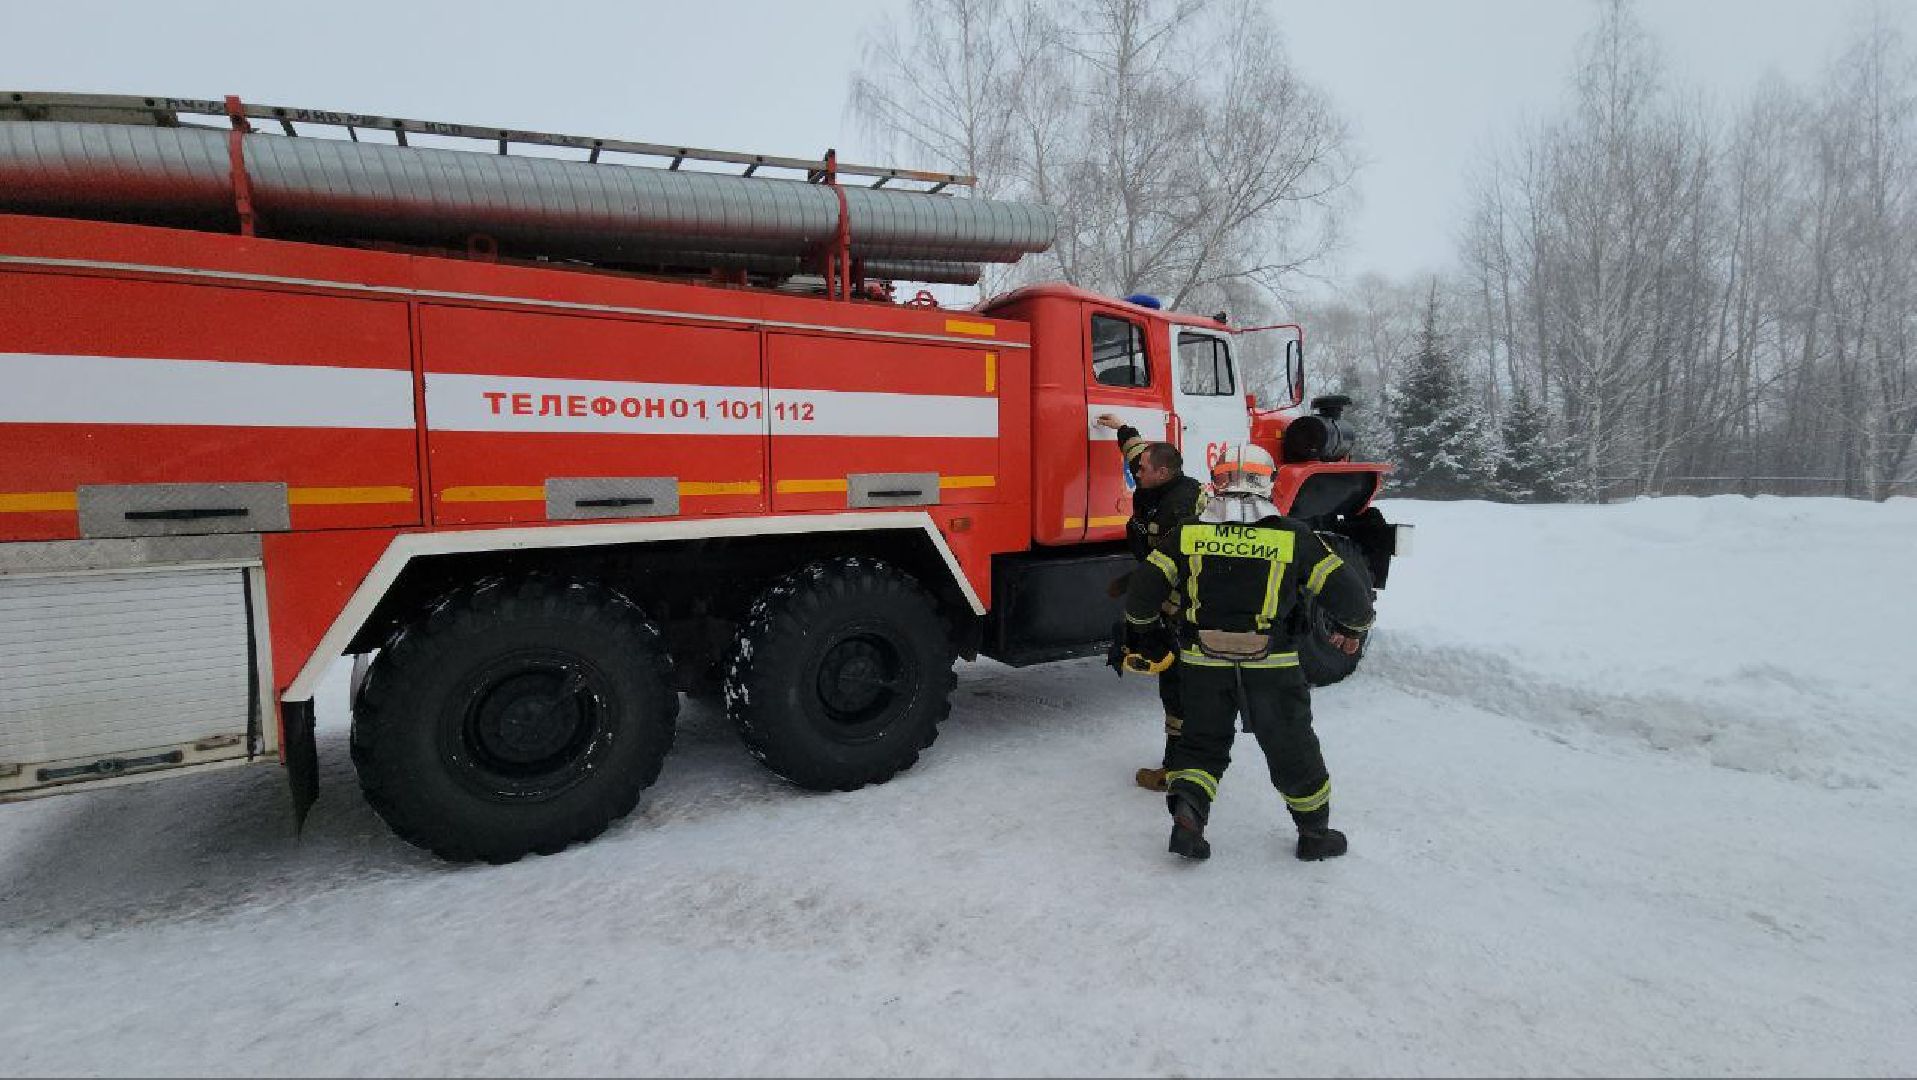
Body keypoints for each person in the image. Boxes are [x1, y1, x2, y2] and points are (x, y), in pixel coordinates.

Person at [1121, 442, 1374, 862]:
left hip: (1203, 663)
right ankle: (1314, 834)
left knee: (1200, 745)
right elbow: (1351, 597)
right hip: (1272, 667)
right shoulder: (1293, 536)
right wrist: (1353, 628)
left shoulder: (1187, 534)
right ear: (1268, 483)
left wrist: (1146, 633)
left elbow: (1141, 593)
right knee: (1291, 746)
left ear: (1217, 484)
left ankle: (1189, 817)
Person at [1094, 413, 1205, 792]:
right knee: (1173, 686)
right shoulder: (1153, 479)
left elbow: (1183, 570)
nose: (1134, 474)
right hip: (1160, 584)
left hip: (1185, 605)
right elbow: (1136, 450)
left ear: (1162, 473)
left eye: (1142, 470)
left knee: (1179, 687)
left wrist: (1158, 617)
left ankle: (1179, 771)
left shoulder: (1184, 508)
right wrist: (1121, 428)